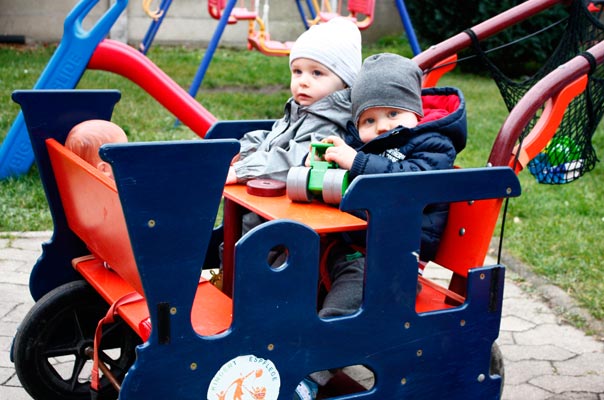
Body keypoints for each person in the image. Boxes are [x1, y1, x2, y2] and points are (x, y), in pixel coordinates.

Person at [317, 51, 468, 344]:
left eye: (393, 114)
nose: (382, 126)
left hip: (396, 257)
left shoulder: (433, 145)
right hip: (357, 243)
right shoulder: (364, 147)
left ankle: (312, 374)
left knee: (350, 297)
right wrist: (332, 162)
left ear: (416, 112)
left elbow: (409, 181)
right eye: (369, 120)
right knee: (289, 259)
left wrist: (356, 163)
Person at [225, 17, 362, 185]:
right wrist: (243, 151)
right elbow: (273, 139)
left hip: (301, 206)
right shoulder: (300, 110)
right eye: (297, 71)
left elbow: (294, 158)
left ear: (345, 84)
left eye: (317, 73)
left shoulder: (330, 126)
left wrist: (242, 171)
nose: (303, 81)